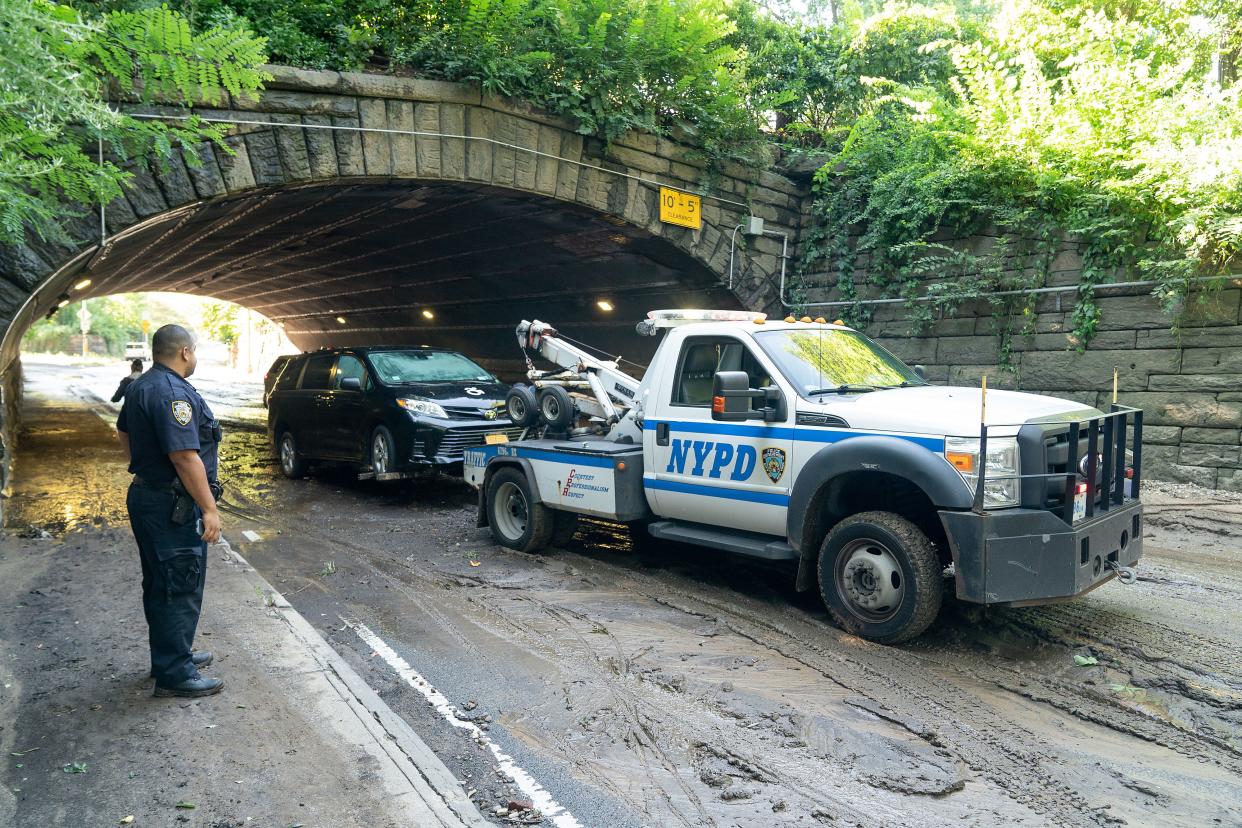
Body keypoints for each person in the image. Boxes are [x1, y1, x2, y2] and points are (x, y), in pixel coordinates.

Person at [116, 324, 225, 698]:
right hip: (171, 505)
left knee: (161, 582)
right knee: (179, 582)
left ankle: (172, 656)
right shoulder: (173, 393)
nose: (195, 357)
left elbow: (124, 432)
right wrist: (208, 509)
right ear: (184, 352)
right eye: (194, 351)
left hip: (150, 497)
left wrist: (146, 467)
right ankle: (174, 674)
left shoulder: (141, 386)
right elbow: (183, 455)